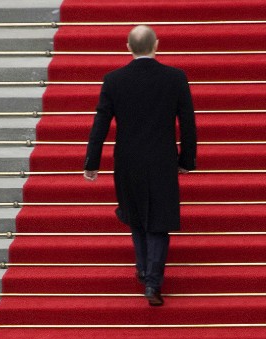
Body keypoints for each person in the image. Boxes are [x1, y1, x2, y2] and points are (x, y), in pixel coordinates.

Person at [83, 24, 197, 306]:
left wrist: (92, 163)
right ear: (156, 45)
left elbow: (100, 125)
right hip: (161, 159)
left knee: (136, 216)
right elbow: (188, 123)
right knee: (158, 222)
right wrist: (186, 161)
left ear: (128, 47)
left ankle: (145, 269)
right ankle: (153, 282)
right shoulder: (175, 78)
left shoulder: (114, 80)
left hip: (128, 161)